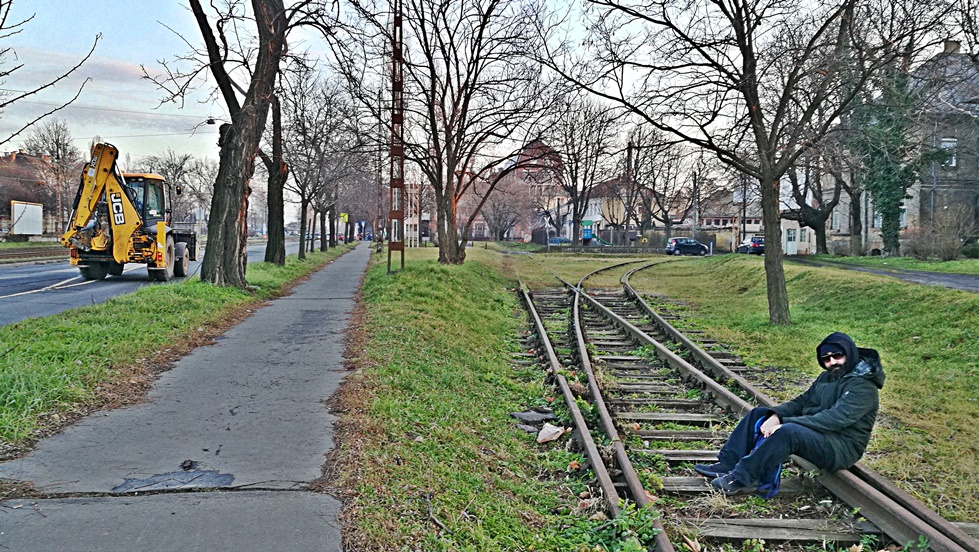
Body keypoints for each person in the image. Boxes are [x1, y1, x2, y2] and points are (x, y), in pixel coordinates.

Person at [694, 332, 885, 496]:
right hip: (820, 436)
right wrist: (775, 415)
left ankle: (740, 478)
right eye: (826, 358)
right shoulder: (828, 377)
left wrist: (783, 423)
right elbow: (802, 402)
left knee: (788, 432)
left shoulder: (863, 386)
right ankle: (727, 464)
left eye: (837, 355)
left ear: (849, 354)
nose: (832, 362)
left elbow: (836, 419)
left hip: (841, 447)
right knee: (759, 414)